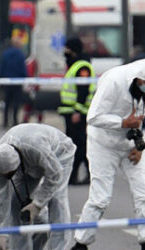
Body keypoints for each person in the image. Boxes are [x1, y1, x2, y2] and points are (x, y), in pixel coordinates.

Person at [68, 59, 145, 250]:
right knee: (100, 198)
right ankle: (80, 247)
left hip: (132, 144)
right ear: (139, 78)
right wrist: (122, 122)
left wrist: (142, 144)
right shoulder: (114, 80)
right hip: (103, 143)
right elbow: (93, 117)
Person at [0, 124, 76, 250]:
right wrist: (1, 233)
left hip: (59, 153)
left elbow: (55, 175)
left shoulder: (36, 148)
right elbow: (0, 198)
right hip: (27, 162)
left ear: (16, 165)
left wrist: (37, 204)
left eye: (10, 174)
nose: (7, 178)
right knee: (16, 202)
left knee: (56, 199)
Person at [58, 37, 95, 185]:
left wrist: (77, 112)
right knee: (75, 144)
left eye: (67, 49)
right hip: (70, 111)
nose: (65, 51)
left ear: (73, 50)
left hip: (77, 113)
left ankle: (86, 174)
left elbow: (83, 91)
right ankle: (74, 176)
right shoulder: (75, 65)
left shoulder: (82, 67)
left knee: (79, 145)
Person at [0, 36, 28, 128]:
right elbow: (23, 69)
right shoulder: (21, 55)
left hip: (7, 81)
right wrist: (24, 79)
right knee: (16, 102)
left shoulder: (5, 54)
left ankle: (5, 121)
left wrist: (0, 79)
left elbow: (2, 67)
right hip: (17, 82)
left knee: (7, 102)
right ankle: (15, 120)